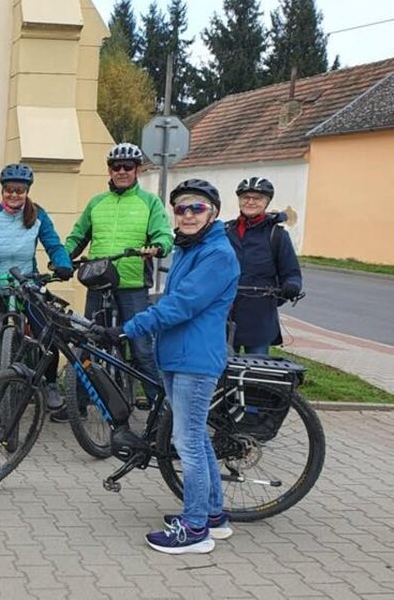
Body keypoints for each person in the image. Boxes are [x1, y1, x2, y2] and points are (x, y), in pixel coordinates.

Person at [103, 179, 239, 554]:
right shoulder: (189, 248)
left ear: (213, 212)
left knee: (188, 442)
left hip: (195, 359)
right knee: (197, 438)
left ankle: (194, 530)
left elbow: (182, 304)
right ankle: (213, 515)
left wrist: (128, 328)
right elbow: (169, 299)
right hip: (177, 356)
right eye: (181, 208)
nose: (188, 214)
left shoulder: (217, 254)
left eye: (197, 207)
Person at [59, 142, 173, 421]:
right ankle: (79, 403)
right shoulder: (96, 203)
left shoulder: (149, 202)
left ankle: (160, 408)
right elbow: (77, 236)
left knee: (141, 346)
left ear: (137, 170)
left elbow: (163, 234)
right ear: (109, 170)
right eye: (116, 166)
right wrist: (62, 259)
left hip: (133, 285)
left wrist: (157, 247)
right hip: (98, 282)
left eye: (127, 166)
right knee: (88, 342)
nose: (121, 171)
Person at [0, 163, 73, 409]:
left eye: (20, 190)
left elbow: (54, 245)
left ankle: (50, 384)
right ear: (2, 190)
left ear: (27, 191)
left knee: (45, 335)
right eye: (9, 190)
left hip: (28, 286)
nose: (14, 195)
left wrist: (62, 264)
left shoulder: (38, 215)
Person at [225, 177, 303, 355]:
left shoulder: (277, 235)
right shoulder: (226, 231)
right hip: (226, 310)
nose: (250, 202)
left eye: (257, 198)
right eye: (246, 197)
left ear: (266, 202)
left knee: (257, 365)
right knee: (221, 364)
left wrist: (292, 285)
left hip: (259, 313)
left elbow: (291, 272)